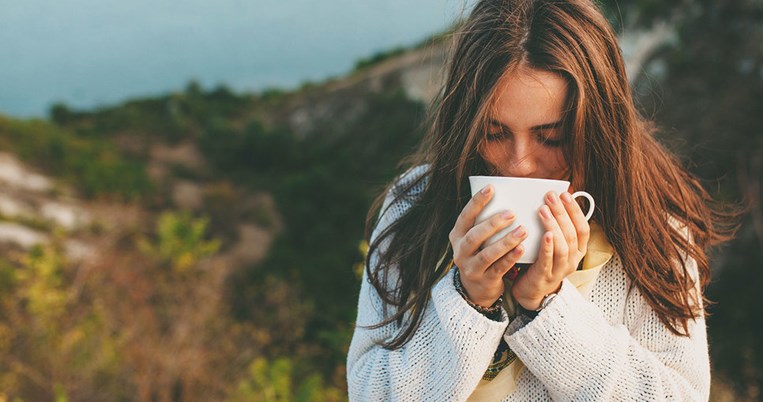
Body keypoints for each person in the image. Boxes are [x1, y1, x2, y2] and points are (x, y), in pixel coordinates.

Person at [346, 0, 735, 400]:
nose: (518, 165)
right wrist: (468, 301)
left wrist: (547, 307)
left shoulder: (655, 227)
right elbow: (370, 392)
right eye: (494, 133)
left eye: (551, 137)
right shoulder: (413, 206)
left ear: (596, 130)